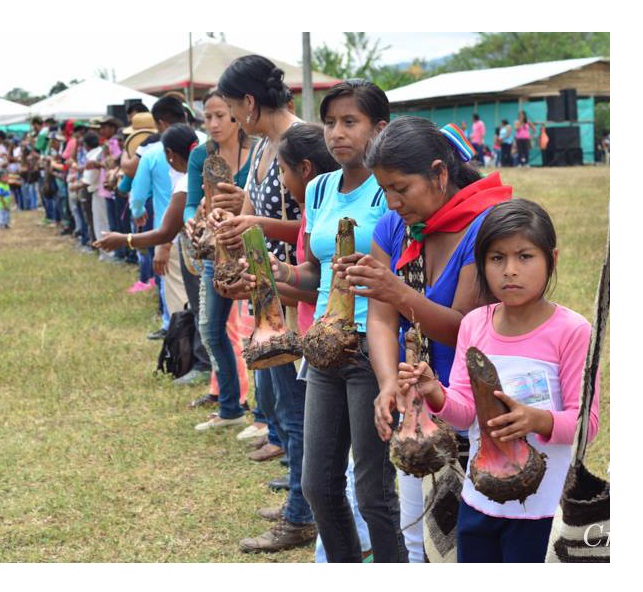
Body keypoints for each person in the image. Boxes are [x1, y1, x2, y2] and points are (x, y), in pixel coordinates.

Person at [343, 117, 512, 562]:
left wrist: (399, 291)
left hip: (476, 403)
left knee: (477, 533)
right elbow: (380, 320)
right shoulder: (395, 228)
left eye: (402, 188)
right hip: (419, 399)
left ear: (440, 173)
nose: (393, 202)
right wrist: (386, 383)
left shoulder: (485, 227)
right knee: (417, 534)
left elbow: (465, 329)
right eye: (385, 191)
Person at [398, 198, 599, 562]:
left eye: (525, 256)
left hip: (544, 509)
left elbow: (587, 424)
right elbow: (463, 412)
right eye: (497, 258)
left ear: (551, 258)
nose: (510, 270)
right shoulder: (475, 324)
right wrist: (435, 394)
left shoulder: (572, 331)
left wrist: (537, 419)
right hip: (479, 500)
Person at [267, 79, 407, 562]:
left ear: (379, 127)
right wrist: (275, 271)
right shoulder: (320, 188)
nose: (337, 133)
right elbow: (313, 273)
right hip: (324, 345)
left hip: (374, 348)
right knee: (318, 485)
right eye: (330, 122)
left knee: (372, 491)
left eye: (351, 122)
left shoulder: (389, 190)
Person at [208, 54, 316, 553]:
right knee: (274, 400)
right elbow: (254, 213)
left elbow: (317, 228)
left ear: (249, 103)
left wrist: (254, 227)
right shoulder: (264, 148)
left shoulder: (300, 144)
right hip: (266, 290)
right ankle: (300, 493)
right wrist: (230, 225)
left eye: (231, 107)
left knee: (293, 410)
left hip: (293, 294)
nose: (230, 117)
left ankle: (302, 514)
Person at [181, 88, 254, 420]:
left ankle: (267, 420)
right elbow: (192, 203)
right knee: (211, 328)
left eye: (219, 116)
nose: (212, 123)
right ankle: (229, 406)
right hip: (217, 251)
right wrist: (192, 220)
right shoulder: (201, 156)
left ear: (236, 114)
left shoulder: (256, 152)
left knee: (258, 332)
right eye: (207, 117)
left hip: (256, 249)